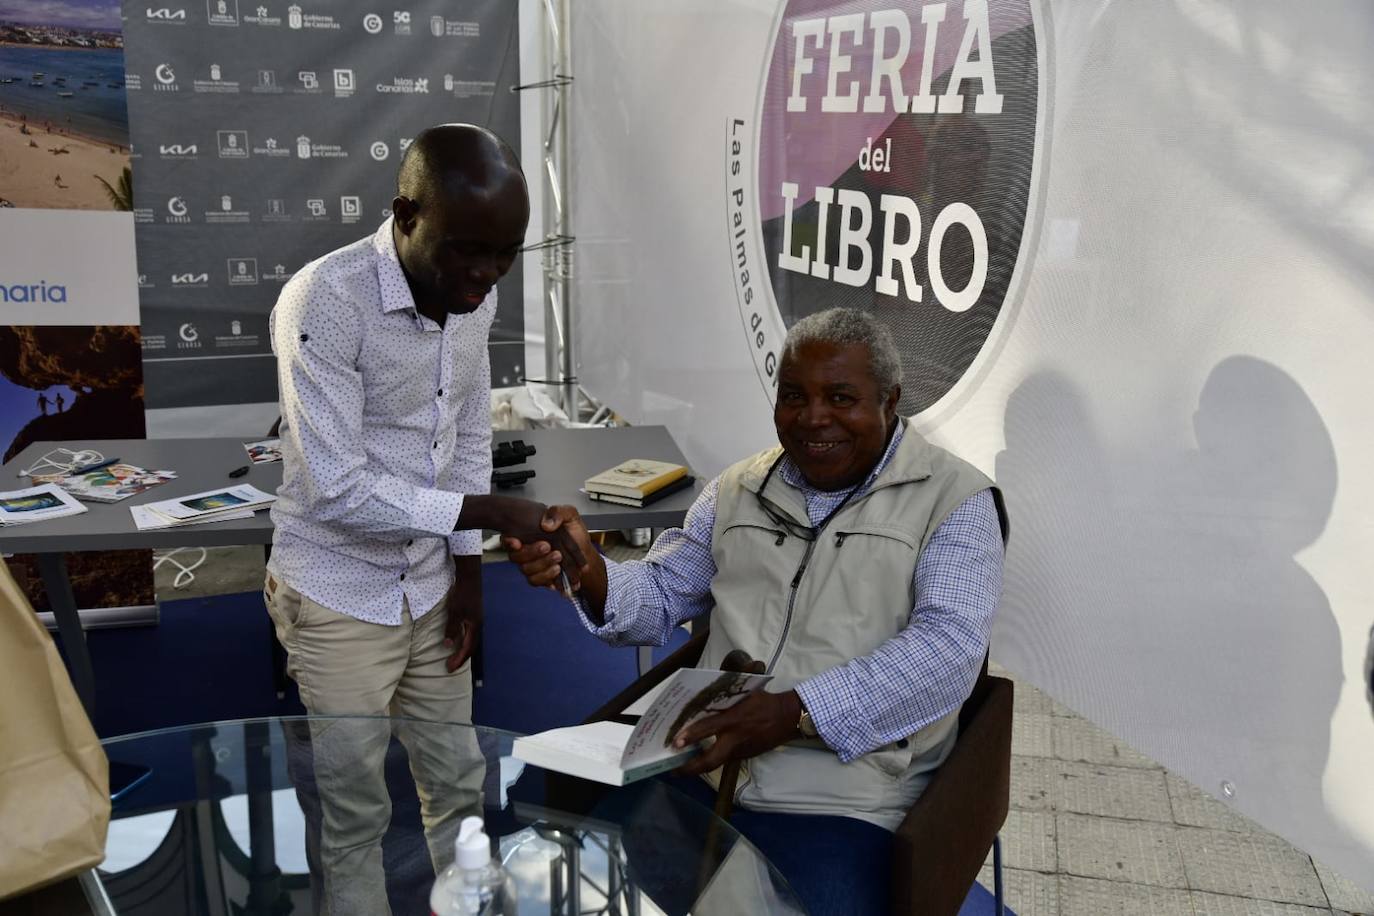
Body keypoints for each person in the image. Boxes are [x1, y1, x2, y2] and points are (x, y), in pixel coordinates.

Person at [504, 307, 1006, 915]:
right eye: (793, 396)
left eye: (841, 397)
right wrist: (591, 574)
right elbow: (661, 594)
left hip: (847, 802)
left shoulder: (955, 502)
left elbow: (947, 651)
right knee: (570, 882)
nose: (813, 417)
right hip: (703, 772)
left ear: (890, 400)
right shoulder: (738, 487)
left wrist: (795, 713)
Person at [265, 123, 584, 915]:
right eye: (467, 252)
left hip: (434, 588)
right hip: (339, 593)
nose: (484, 277)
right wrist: (489, 512)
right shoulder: (325, 302)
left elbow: (468, 435)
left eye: (505, 255)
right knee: (353, 818)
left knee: (459, 787)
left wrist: (468, 569)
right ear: (405, 216)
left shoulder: (474, 293)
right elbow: (335, 486)